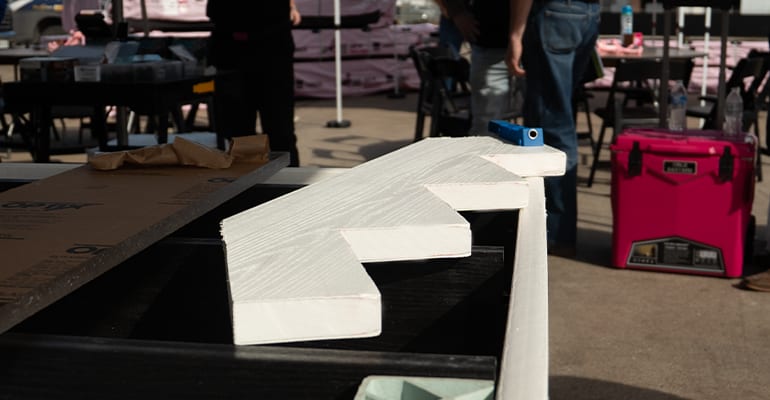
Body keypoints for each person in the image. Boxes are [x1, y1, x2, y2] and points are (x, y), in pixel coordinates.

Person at [506, 0, 600, 257]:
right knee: (555, 118)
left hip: (554, 13)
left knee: (551, 124)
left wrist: (516, 33)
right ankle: (555, 230)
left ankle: (557, 232)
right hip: (587, 14)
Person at [206, 0, 301, 166]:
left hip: (271, 46)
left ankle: (290, 182)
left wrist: (291, 5)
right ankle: (245, 186)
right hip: (230, 49)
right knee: (238, 131)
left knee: (280, 129)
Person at [445, 0, 517, 136]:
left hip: (536, 41)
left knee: (546, 124)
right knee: (486, 127)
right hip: (490, 42)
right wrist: (457, 12)